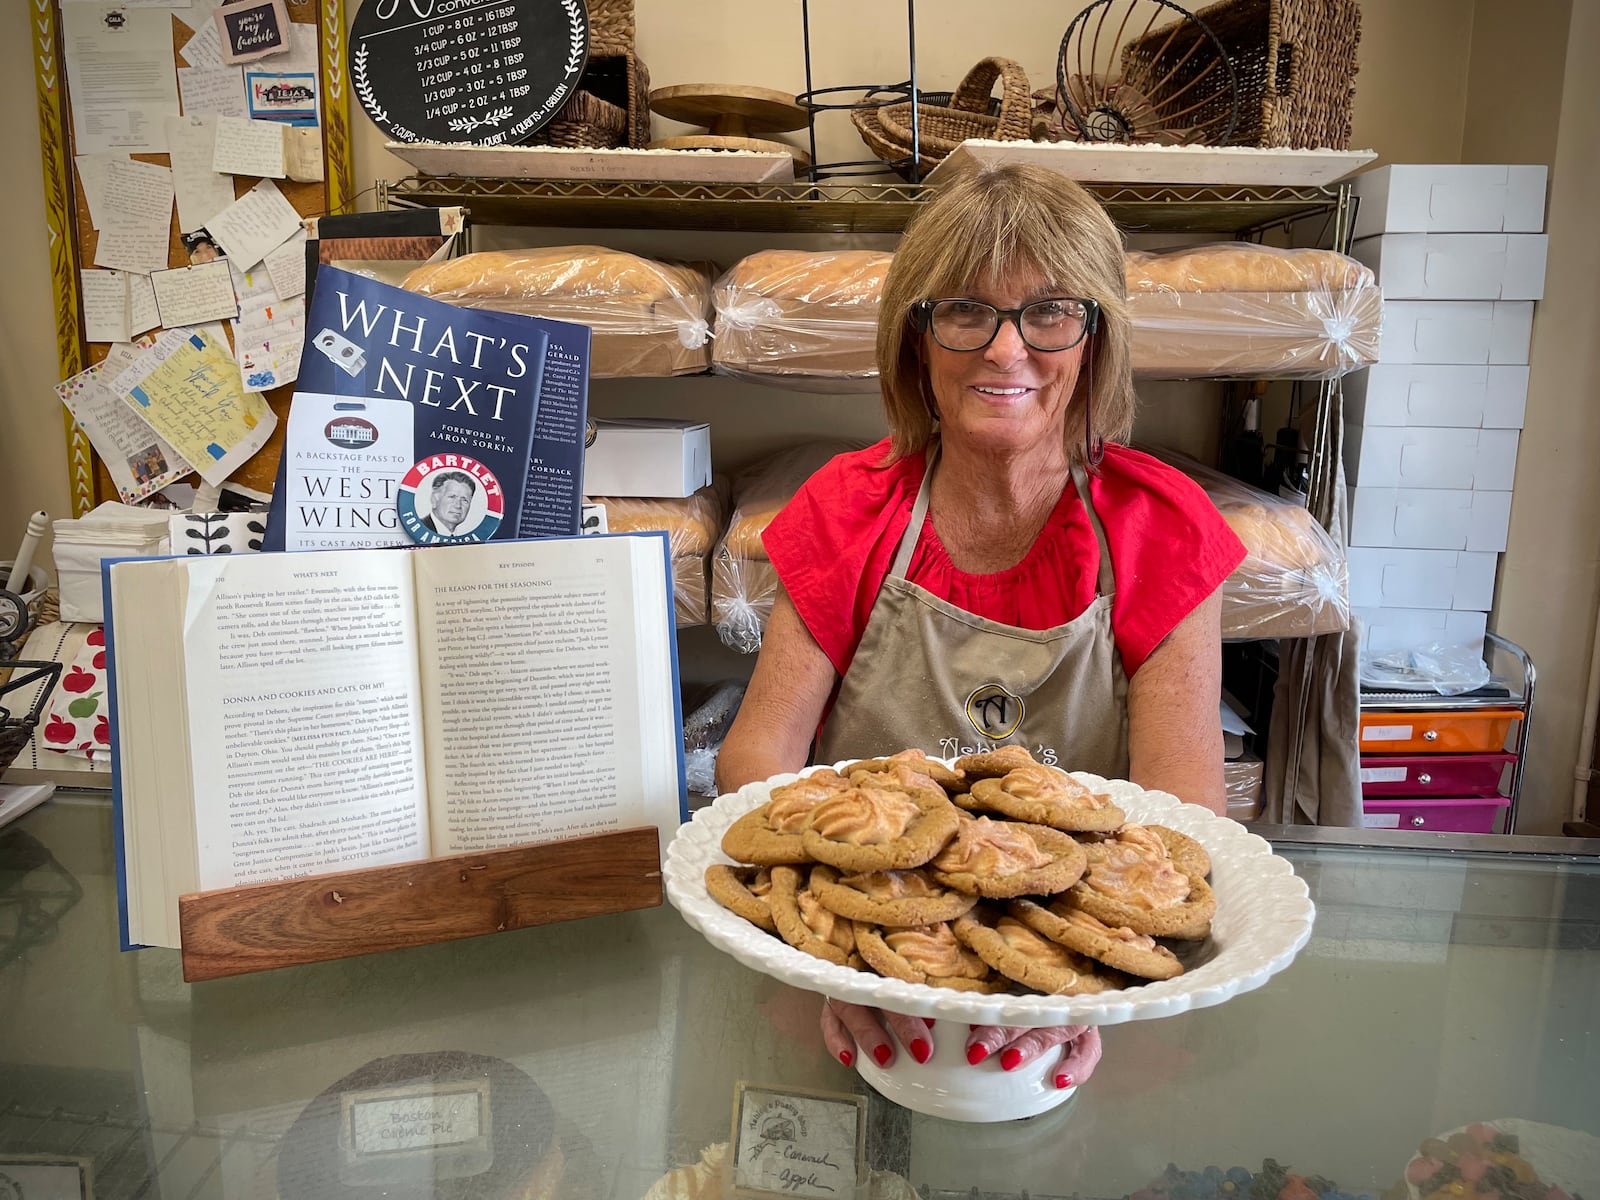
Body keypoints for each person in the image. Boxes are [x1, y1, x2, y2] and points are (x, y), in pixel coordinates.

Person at [714, 165, 1247, 1087]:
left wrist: (1085, 984)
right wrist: (841, 957)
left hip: (1076, 994)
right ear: (916, 341)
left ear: (1095, 339)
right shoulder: (846, 510)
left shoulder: (1161, 527)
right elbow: (756, 763)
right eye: (964, 310)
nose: (1007, 350)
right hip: (863, 976)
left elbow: (1178, 820)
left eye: (1051, 312)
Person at [422, 471, 476, 536]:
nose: (458, 505)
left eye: (464, 500)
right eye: (452, 497)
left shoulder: (468, 539)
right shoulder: (420, 529)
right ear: (434, 499)